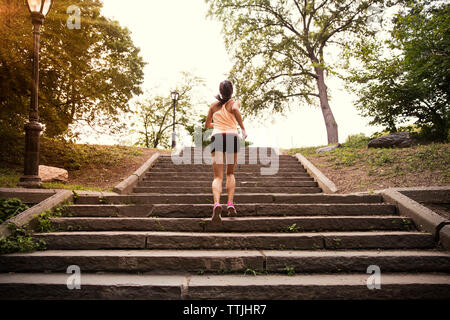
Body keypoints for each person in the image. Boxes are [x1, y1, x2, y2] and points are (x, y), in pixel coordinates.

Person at [205, 80, 247, 226]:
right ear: (232, 91)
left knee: (218, 176)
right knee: (230, 173)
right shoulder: (234, 103)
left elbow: (206, 126)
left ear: (220, 91)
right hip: (231, 137)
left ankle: (217, 204)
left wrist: (217, 124)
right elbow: (235, 110)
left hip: (217, 138)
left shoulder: (213, 106)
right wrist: (242, 128)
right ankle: (230, 203)